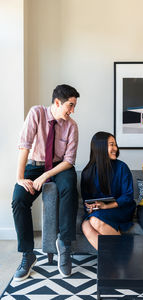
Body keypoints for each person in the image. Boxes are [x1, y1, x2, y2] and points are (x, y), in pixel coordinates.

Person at [12, 84, 80, 281]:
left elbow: (69, 161)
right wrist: (19, 178)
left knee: (69, 188)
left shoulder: (72, 126)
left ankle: (65, 245)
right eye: (70, 105)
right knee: (18, 200)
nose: (72, 111)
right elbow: (24, 146)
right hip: (35, 164)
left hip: (60, 167)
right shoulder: (37, 113)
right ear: (57, 102)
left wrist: (46, 175)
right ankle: (27, 254)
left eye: (74, 106)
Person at [81, 131, 136, 250]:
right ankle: (114, 261)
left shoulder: (122, 167)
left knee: (95, 221)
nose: (115, 148)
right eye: (111, 145)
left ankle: (120, 255)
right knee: (85, 225)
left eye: (115, 144)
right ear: (100, 147)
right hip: (98, 211)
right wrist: (90, 207)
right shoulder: (87, 172)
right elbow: (86, 200)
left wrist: (106, 206)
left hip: (121, 208)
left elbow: (128, 196)